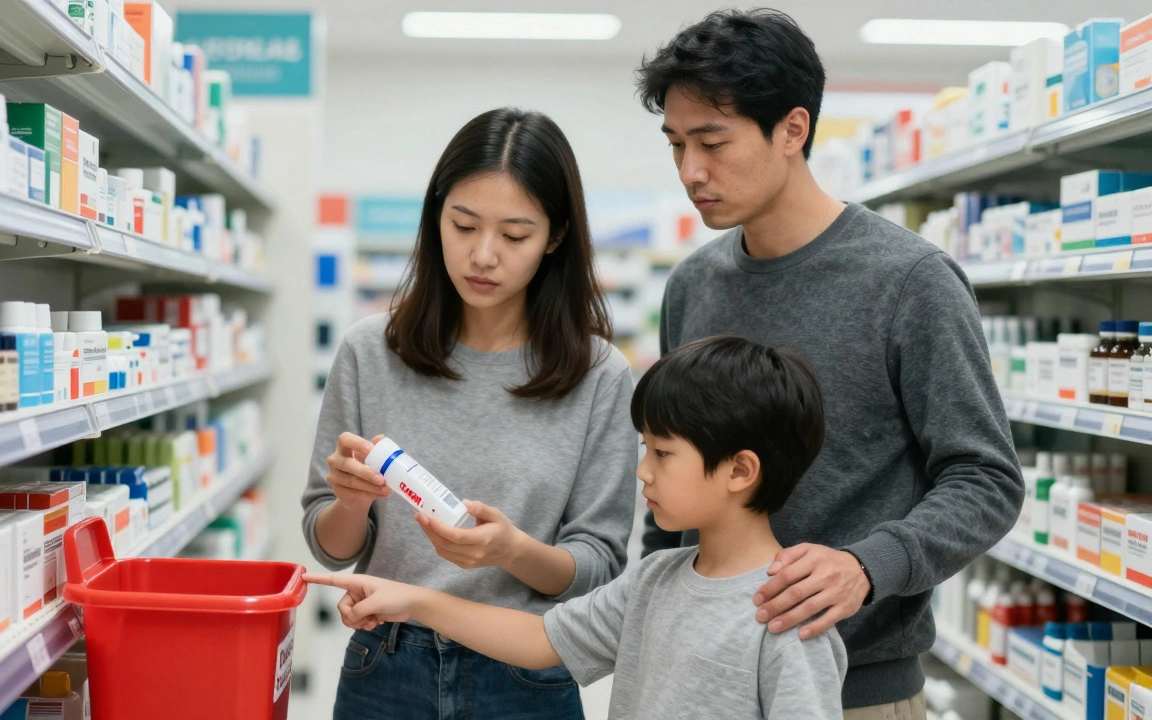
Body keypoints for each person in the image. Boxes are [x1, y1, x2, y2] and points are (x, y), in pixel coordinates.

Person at [635, 9, 1024, 718]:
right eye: (677, 144)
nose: (692, 170)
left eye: (713, 142)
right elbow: (672, 483)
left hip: (857, 693)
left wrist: (867, 567)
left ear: (792, 130)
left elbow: (987, 479)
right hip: (703, 681)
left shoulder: (910, 281)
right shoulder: (693, 285)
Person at [306, 335, 848, 719]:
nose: (642, 471)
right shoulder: (655, 579)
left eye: (662, 452)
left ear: (740, 470)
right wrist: (410, 600)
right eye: (645, 448)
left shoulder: (789, 613)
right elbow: (542, 637)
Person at [301, 107, 637, 719]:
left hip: (527, 674)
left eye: (514, 235)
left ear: (555, 237)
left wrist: (511, 551)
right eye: (463, 225)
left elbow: (597, 568)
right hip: (385, 665)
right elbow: (329, 547)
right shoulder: (369, 352)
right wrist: (349, 503)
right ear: (435, 219)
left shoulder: (599, 374)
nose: (483, 255)